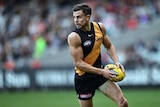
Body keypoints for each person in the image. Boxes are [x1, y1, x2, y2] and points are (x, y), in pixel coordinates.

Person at [67, 3, 128, 107]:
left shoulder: (99, 28)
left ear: (88, 17)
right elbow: (78, 63)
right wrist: (102, 71)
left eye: (79, 17)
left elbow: (109, 46)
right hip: (84, 78)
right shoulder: (74, 37)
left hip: (100, 74)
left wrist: (117, 61)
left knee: (123, 103)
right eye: (74, 17)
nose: (76, 20)